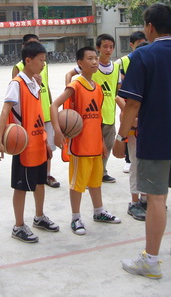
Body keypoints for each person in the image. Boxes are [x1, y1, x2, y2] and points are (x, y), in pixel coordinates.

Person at [113, 3, 171, 279]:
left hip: (155, 139)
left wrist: (121, 137)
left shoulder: (143, 55)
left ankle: (151, 261)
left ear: (150, 26)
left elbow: (132, 104)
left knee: (156, 199)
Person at [0, 41, 60, 243]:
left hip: (39, 142)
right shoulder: (16, 84)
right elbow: (5, 111)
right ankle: (18, 225)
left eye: (44, 60)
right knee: (21, 187)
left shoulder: (34, 83)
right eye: (41, 60)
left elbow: (38, 114)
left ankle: (39, 217)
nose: (43, 64)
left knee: (40, 183)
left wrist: (46, 141)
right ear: (28, 61)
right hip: (23, 145)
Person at [52, 46, 121, 235]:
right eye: (90, 58)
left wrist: (101, 142)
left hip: (94, 144)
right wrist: (57, 131)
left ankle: (99, 212)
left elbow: (97, 118)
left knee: (95, 181)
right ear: (80, 63)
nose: (94, 62)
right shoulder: (76, 85)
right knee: (77, 184)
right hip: (80, 146)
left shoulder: (97, 88)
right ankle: (75, 218)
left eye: (95, 58)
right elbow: (54, 105)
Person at [65, 34, 120, 184]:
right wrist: (70, 93)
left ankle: (102, 172)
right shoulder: (91, 64)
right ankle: (89, 175)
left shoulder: (116, 67)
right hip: (91, 114)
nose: (108, 50)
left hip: (109, 113)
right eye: (105, 46)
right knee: (90, 146)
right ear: (98, 48)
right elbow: (69, 74)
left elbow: (117, 90)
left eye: (111, 47)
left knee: (107, 145)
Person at [13, 34, 59, 188]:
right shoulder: (19, 68)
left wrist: (51, 105)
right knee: (33, 147)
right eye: (31, 44)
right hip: (30, 116)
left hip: (44, 109)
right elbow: (16, 96)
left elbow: (47, 85)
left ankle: (47, 174)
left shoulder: (43, 64)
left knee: (48, 147)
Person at [118, 41, 149, 221]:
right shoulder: (132, 76)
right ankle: (134, 201)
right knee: (136, 164)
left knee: (149, 164)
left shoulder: (154, 75)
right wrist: (131, 122)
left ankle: (145, 197)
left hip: (151, 129)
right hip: (134, 129)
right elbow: (123, 102)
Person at [117, 31, 147, 174]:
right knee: (129, 132)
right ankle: (128, 160)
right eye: (139, 43)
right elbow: (118, 91)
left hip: (141, 107)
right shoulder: (122, 62)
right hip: (128, 103)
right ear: (131, 45)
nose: (142, 46)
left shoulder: (150, 61)